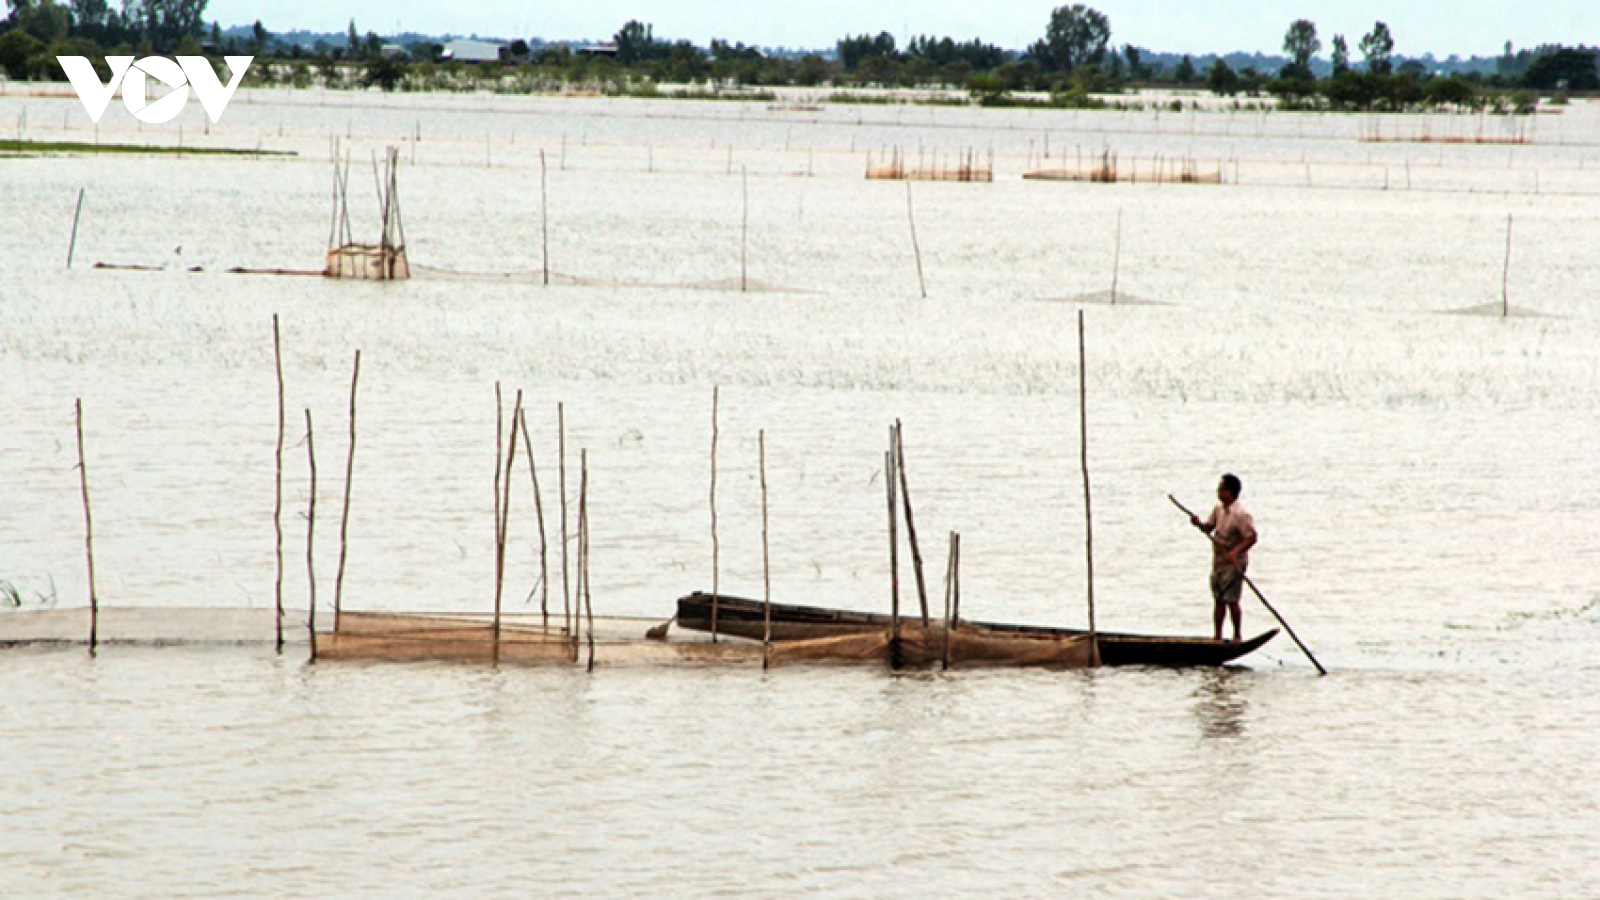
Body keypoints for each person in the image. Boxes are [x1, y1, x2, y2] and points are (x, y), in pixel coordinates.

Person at [1189, 473, 1257, 643]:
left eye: (1221, 488)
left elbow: (1252, 537)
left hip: (1234, 563)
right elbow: (1209, 528)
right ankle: (1217, 636)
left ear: (1230, 491)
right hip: (1219, 562)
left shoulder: (1241, 514)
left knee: (1232, 600)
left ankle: (1237, 636)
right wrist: (1199, 524)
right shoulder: (1218, 509)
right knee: (1218, 600)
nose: (1218, 492)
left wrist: (1235, 552)